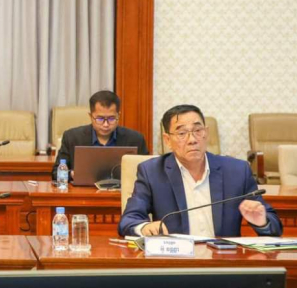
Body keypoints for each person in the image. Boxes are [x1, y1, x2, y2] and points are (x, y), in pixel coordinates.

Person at [119, 104, 282, 238]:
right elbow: (128, 220)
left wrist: (262, 222)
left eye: (198, 131)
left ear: (206, 133)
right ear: (167, 140)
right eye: (182, 133)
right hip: (176, 260)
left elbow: (275, 226)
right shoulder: (152, 172)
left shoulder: (237, 171)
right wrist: (145, 227)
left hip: (223, 261)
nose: (192, 140)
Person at [51, 90, 148, 180]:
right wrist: (72, 174)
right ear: (90, 116)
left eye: (111, 119)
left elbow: (148, 172)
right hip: (83, 191)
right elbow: (56, 173)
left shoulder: (136, 139)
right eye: (100, 119)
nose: (105, 124)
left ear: (118, 116)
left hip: (121, 191)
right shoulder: (72, 137)